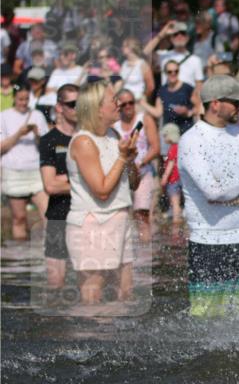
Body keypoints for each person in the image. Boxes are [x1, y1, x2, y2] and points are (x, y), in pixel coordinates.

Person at [178, 75, 239, 317]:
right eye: (234, 101)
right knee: (206, 320)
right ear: (215, 104)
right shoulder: (191, 140)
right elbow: (213, 191)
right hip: (208, 243)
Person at [65, 80, 139, 304]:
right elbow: (102, 191)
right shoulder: (84, 142)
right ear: (97, 108)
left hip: (120, 218)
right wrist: (122, 158)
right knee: (93, 297)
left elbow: (133, 183)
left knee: (125, 293)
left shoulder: (113, 135)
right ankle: (90, 338)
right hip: (93, 223)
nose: (119, 104)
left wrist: (131, 161)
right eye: (113, 100)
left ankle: (120, 338)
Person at [39, 83, 78, 289]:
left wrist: (64, 179)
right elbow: (50, 186)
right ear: (60, 107)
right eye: (73, 104)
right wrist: (81, 181)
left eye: (81, 103)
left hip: (85, 216)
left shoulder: (87, 137)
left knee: (90, 285)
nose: (78, 108)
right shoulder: (49, 140)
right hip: (57, 215)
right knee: (55, 284)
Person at [1, 84, 49, 240]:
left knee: (48, 215)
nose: (23, 103)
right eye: (20, 99)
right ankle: (19, 259)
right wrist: (18, 134)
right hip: (13, 171)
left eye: (26, 99)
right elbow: (1, 147)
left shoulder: (37, 115)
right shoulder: (3, 116)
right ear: (14, 98)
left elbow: (47, 146)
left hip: (36, 171)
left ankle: (50, 253)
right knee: (19, 218)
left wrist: (37, 135)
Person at [112, 89, 160, 242]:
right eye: (124, 104)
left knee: (141, 215)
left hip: (143, 171)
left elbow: (155, 148)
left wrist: (141, 162)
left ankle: (146, 254)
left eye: (131, 102)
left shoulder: (145, 119)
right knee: (121, 217)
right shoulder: (114, 125)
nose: (128, 106)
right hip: (121, 176)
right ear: (118, 106)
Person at [144, 59, 195, 138]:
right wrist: (142, 103)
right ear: (165, 73)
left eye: (176, 71)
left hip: (187, 132)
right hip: (169, 135)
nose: (173, 74)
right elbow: (158, 112)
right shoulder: (162, 91)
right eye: (170, 72)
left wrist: (187, 112)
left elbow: (199, 108)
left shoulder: (187, 88)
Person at [159, 123, 183, 224]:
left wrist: (164, 177)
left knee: (174, 201)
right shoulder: (181, 146)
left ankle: (176, 220)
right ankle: (179, 217)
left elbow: (171, 163)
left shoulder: (173, 148)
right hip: (180, 177)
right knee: (178, 200)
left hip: (173, 178)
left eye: (165, 136)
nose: (164, 138)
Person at [119, 38, 154, 102]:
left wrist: (142, 98)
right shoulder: (124, 63)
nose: (121, 48)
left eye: (124, 46)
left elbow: (150, 86)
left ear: (131, 48)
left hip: (137, 101)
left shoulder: (142, 64)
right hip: (124, 101)